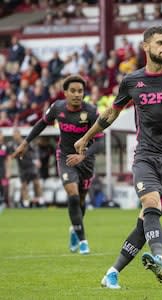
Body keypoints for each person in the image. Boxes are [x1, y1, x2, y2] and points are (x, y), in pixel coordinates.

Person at [74, 26, 162, 289]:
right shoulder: (131, 81)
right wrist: (85, 137)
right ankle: (160, 258)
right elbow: (110, 115)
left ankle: (112, 273)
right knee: (150, 202)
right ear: (145, 46)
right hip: (146, 155)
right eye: (160, 42)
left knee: (145, 220)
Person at [11, 75, 103, 254]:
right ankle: (83, 241)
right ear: (65, 93)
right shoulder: (57, 108)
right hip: (65, 157)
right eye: (73, 91)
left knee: (82, 199)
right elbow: (41, 124)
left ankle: (74, 231)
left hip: (85, 160)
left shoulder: (91, 112)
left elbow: (99, 141)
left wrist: (83, 156)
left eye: (80, 91)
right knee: (73, 195)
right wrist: (25, 142)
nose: (77, 94)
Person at [11, 128, 44, 208]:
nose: (15, 136)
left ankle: (39, 200)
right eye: (13, 135)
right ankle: (26, 202)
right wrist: (17, 153)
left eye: (16, 134)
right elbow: (12, 155)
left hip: (31, 166)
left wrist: (37, 160)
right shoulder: (12, 145)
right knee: (24, 185)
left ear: (19, 134)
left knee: (36, 182)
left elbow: (35, 151)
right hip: (22, 167)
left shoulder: (26, 142)